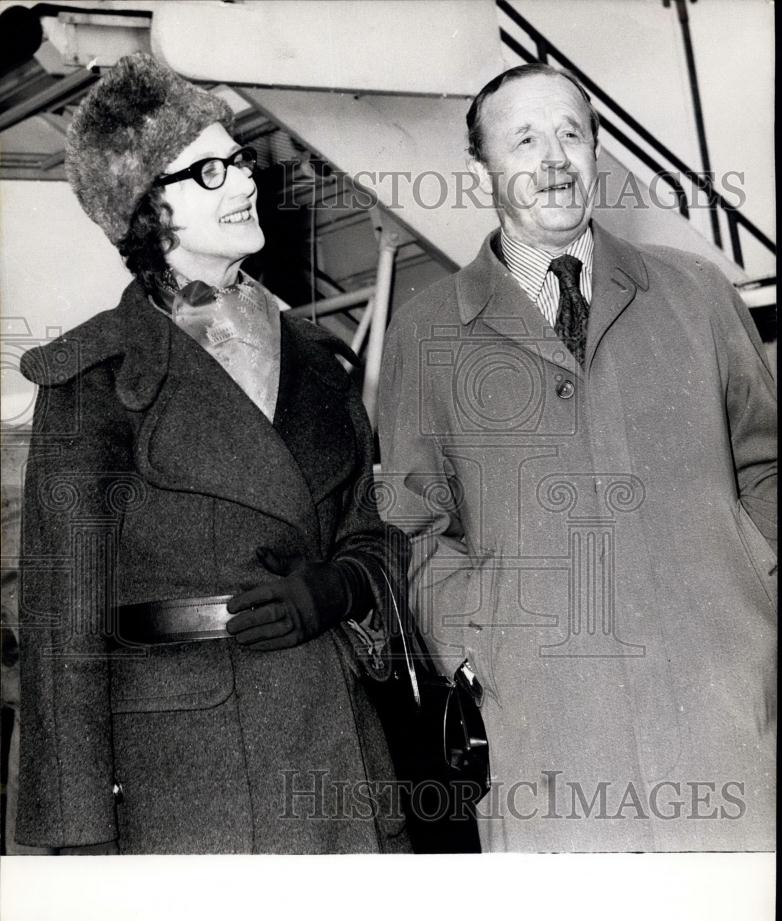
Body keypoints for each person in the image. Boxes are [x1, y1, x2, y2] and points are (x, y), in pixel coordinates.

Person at [15, 53, 411, 855]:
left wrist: (337, 588)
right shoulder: (91, 382)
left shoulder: (317, 362)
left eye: (236, 160)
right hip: (189, 784)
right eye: (203, 174)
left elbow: (379, 534)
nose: (240, 183)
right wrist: (81, 839)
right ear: (139, 210)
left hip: (340, 753)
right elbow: (61, 633)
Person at [378, 64, 776, 852]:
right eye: (524, 139)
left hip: (723, 712)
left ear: (596, 151)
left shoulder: (697, 295)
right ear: (483, 168)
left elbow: (768, 465)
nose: (554, 159)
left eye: (571, 133)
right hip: (547, 732)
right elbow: (415, 525)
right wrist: (481, 643)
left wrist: (751, 581)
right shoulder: (425, 334)